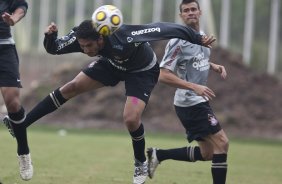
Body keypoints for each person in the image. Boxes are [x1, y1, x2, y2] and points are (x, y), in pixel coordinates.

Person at [3, 16, 215, 183]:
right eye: (82, 46)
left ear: (101, 39)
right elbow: (54, 49)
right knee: (71, 87)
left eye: (88, 46)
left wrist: (196, 38)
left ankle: (140, 161)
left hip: (141, 71)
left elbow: (164, 28)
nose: (85, 50)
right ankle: (20, 124)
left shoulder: (125, 35)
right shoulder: (82, 36)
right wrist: (51, 36)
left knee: (130, 119)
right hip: (111, 65)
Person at [146, 0, 229, 184]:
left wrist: (213, 66)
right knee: (222, 143)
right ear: (181, 16)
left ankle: (158, 155)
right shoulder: (178, 42)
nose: (190, 12)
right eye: (186, 10)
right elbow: (163, 75)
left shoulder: (201, 36)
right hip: (190, 103)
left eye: (193, 9)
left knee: (208, 153)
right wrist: (194, 86)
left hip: (198, 101)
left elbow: (194, 60)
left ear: (200, 12)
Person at [0, 0, 33, 181]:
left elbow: (21, 6)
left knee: (12, 101)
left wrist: (14, 18)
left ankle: (23, 152)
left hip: (4, 47)